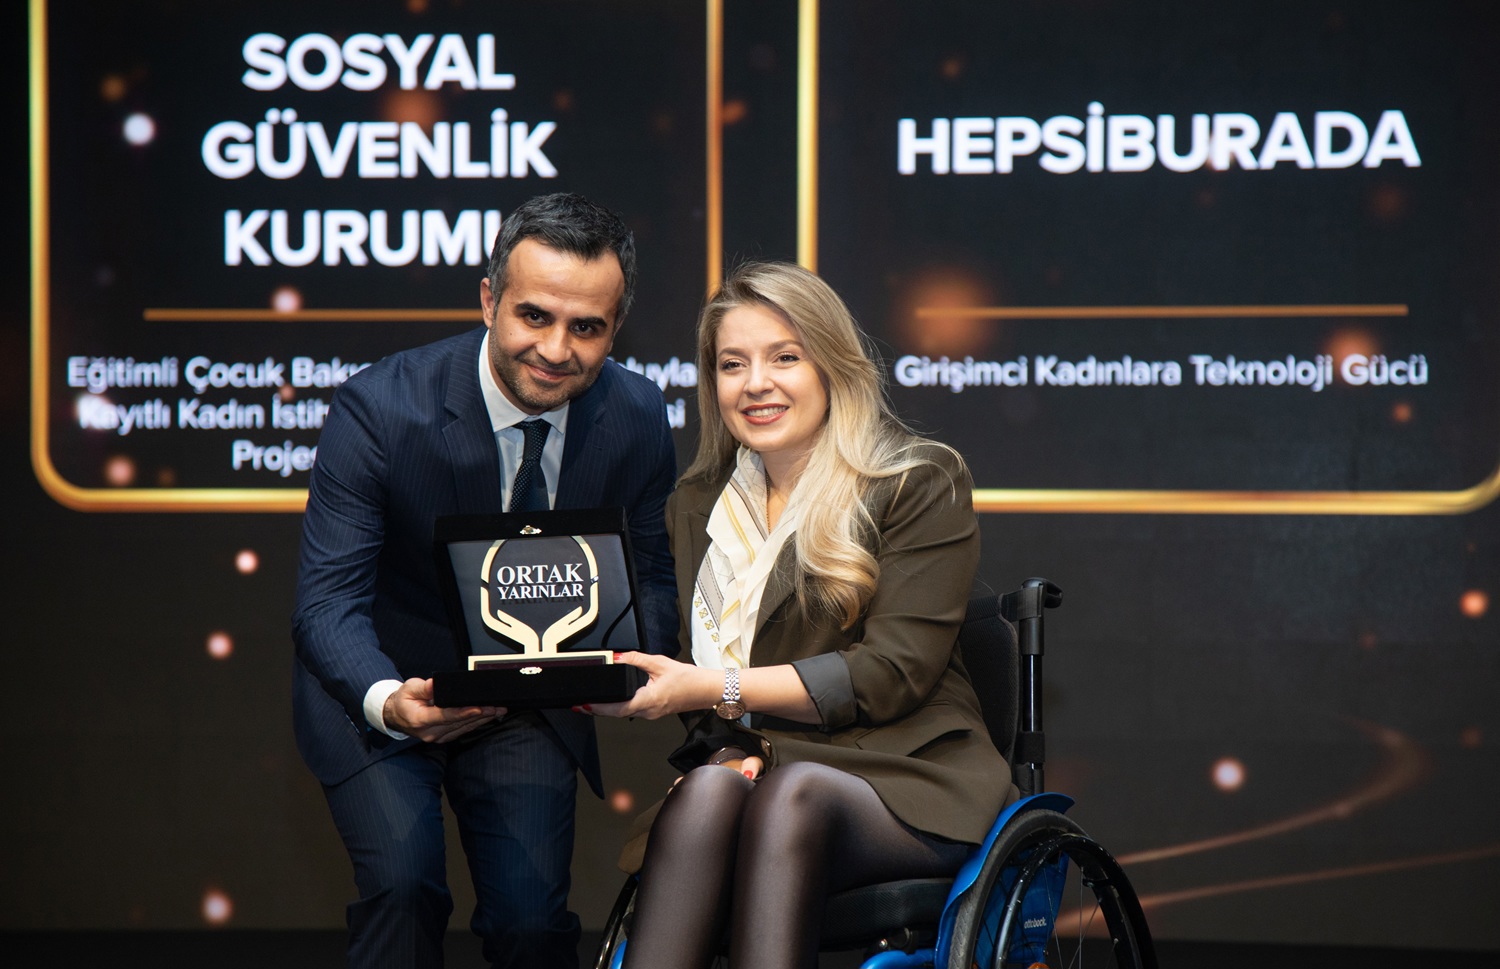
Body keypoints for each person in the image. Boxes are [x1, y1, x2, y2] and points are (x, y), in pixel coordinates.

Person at [291, 193, 678, 969]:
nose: (557, 349)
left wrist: (621, 663)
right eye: (534, 316)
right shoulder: (381, 408)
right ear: (489, 300)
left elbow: (654, 578)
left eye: (587, 327)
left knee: (531, 924)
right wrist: (388, 699)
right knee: (404, 890)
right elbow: (328, 603)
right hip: (384, 682)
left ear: (616, 327)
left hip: (529, 696)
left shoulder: (636, 413)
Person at [591, 261, 1015, 968]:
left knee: (790, 793)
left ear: (832, 365)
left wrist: (715, 690)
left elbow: (888, 675)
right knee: (708, 789)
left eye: (785, 357)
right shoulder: (696, 503)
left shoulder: (916, 480)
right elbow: (698, 677)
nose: (756, 383)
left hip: (905, 773)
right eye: (733, 364)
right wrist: (711, 741)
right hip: (766, 765)